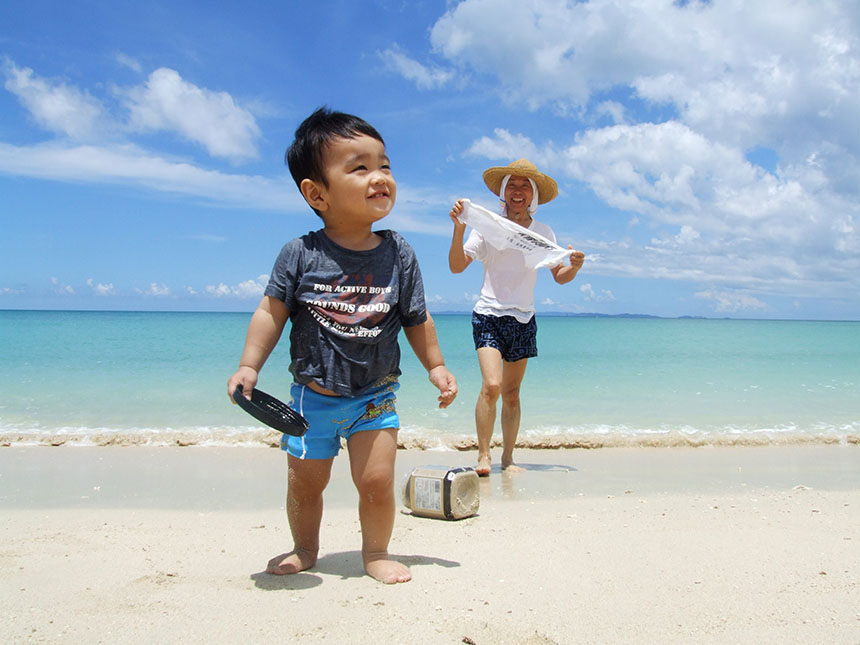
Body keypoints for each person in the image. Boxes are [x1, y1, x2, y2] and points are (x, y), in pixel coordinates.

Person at [228, 107, 457, 584]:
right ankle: (305, 548)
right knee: (306, 485)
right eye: (360, 167)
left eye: (385, 166)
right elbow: (271, 312)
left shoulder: (399, 253)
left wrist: (436, 366)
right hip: (313, 399)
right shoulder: (301, 253)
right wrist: (249, 366)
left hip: (375, 396)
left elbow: (417, 317)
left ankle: (374, 553)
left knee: (375, 482)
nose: (380, 178)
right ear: (316, 193)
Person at [448, 159, 584, 475]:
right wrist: (459, 229)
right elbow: (457, 266)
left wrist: (574, 266)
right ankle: (483, 456)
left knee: (511, 394)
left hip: (523, 318)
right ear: (504, 192)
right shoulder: (489, 225)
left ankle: (508, 459)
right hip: (488, 314)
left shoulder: (542, 232)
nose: (518, 191)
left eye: (525, 186)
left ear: (533, 195)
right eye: (512, 185)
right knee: (492, 385)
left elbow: (559, 275)